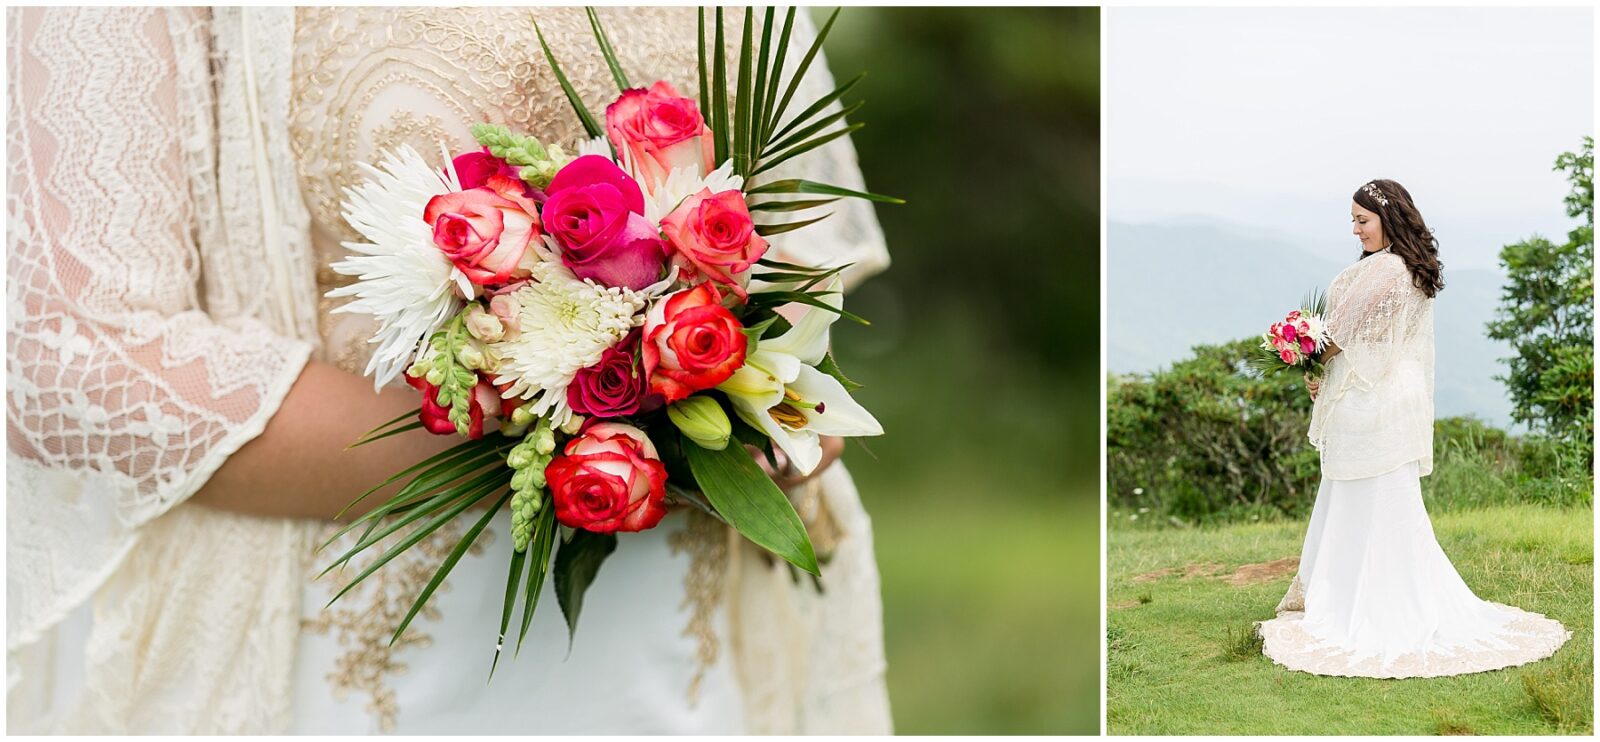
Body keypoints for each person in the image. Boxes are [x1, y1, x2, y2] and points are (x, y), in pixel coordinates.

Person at [7, 7, 890, 733]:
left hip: (683, 659)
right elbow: (79, 363)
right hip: (363, 672)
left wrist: (758, 392)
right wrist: (598, 438)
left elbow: (794, 233)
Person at [1260, 179, 1569, 678]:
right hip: (1384, 392)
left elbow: (1341, 334)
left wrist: (1300, 348)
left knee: (1373, 495)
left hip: (1375, 399)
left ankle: (1373, 604)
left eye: (1363, 221)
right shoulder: (1403, 268)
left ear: (1389, 219)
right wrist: (1317, 363)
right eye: (1353, 222)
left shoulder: (1387, 272)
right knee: (1372, 498)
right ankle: (1358, 589)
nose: (1356, 230)